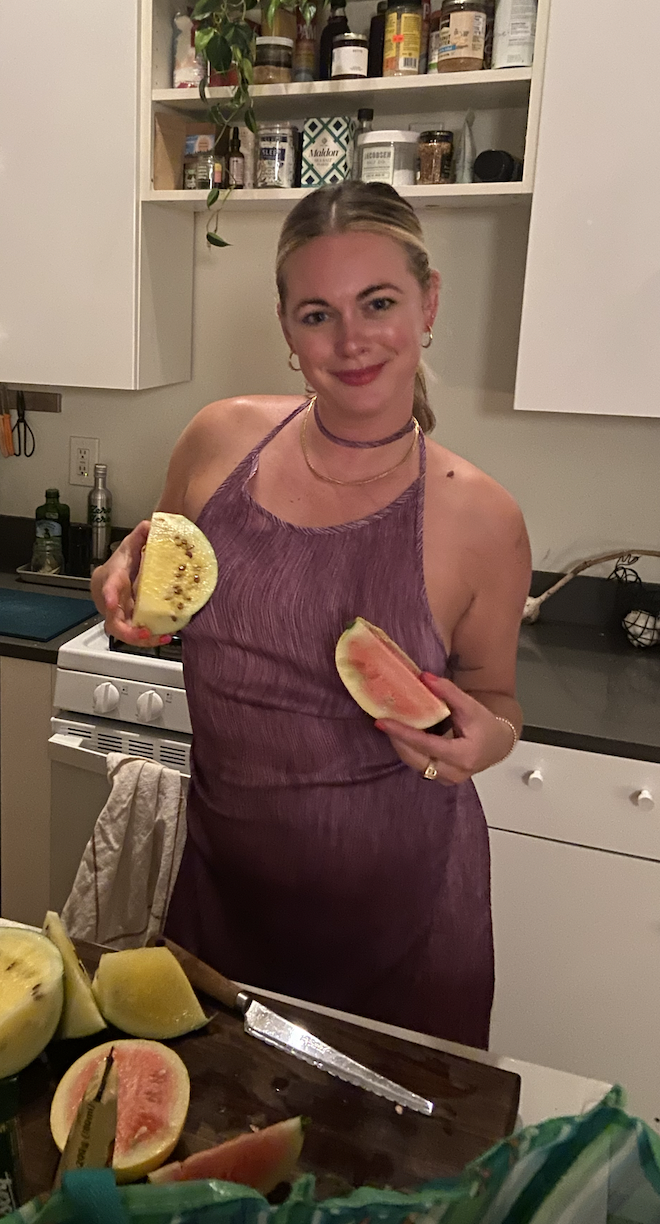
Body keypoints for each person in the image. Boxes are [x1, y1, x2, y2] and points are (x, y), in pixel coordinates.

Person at [91, 181, 531, 1048]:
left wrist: (487, 742)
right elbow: (153, 584)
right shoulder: (217, 441)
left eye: (379, 303)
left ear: (428, 303)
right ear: (287, 330)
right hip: (224, 894)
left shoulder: (482, 518)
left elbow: (497, 699)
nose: (352, 340)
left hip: (400, 922)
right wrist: (115, 582)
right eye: (318, 314)